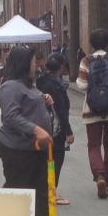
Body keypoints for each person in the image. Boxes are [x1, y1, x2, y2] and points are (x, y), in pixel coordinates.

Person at [0, 46, 62, 216]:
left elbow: (30, 104)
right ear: (24, 64)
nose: (37, 65)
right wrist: (36, 130)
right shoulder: (10, 87)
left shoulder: (29, 85)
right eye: (34, 62)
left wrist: (45, 100)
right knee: (17, 191)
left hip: (37, 150)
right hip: (17, 149)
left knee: (41, 193)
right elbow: (11, 116)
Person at [75, 28, 108, 199]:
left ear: (92, 44)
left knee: (94, 145)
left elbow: (81, 85)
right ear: (107, 42)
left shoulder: (86, 61)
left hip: (91, 109)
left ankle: (99, 175)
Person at [36, 52, 74, 205]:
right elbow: (61, 111)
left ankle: (44, 189)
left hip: (40, 125)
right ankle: (52, 191)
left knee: (45, 159)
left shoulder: (40, 81)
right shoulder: (56, 86)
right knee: (55, 160)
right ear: (61, 67)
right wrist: (69, 132)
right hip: (55, 129)